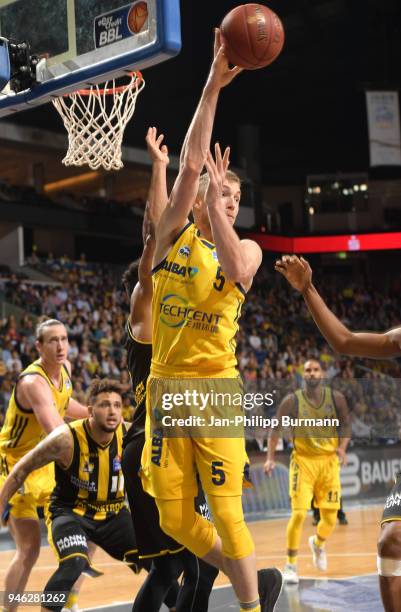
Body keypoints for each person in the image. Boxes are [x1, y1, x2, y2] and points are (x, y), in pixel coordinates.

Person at [140, 29, 282, 612]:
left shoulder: (247, 250)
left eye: (233, 198)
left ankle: (251, 607)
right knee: (174, 521)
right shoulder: (174, 232)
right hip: (165, 387)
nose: (227, 199)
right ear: (196, 199)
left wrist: (222, 208)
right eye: (219, 195)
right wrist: (212, 82)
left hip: (215, 390)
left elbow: (231, 260)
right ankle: (245, 574)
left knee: (228, 511)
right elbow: (194, 157)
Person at [121, 126, 219, 611]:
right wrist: (160, 170)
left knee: (188, 563)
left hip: (178, 437)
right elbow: (154, 237)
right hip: (151, 445)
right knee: (181, 564)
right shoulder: (145, 309)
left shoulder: (175, 316)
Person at [275, 254, 401, 611]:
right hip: (309, 460)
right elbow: (344, 341)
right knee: (390, 542)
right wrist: (308, 289)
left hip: (325, 461)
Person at [0, 378, 147, 612]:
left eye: (117, 405)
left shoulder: (131, 435)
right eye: (104, 405)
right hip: (70, 512)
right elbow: (19, 471)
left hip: (113, 514)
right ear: (89, 411)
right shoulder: (65, 438)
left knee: (158, 562)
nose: (112, 411)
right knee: (74, 563)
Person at [0, 318, 88, 611]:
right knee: (28, 550)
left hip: (44, 462)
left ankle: (65, 600)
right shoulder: (32, 382)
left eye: (64, 338)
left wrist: (94, 414)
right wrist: (99, 433)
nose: (61, 345)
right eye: (53, 340)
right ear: (39, 346)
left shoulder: (66, 370)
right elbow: (58, 432)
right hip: (15, 465)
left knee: (83, 530)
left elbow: (64, 406)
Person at [264, 358, 350, 584]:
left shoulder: (336, 398)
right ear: (304, 375)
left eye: (315, 369)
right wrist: (270, 458)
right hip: (303, 462)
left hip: (329, 463)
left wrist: (341, 448)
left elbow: (347, 424)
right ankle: (291, 564)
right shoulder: (292, 401)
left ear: (322, 374)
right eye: (308, 370)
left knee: (330, 520)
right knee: (299, 513)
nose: (312, 373)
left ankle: (318, 544)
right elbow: (275, 428)